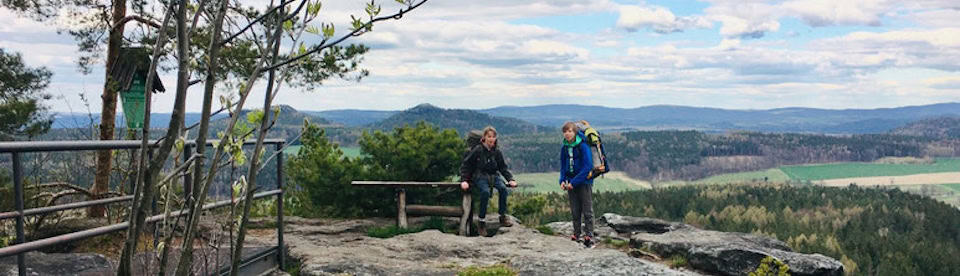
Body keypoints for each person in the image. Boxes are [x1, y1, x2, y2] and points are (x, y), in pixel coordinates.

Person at [460, 126, 518, 237]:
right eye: (489, 136)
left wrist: (510, 179)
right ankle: (481, 222)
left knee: (503, 189)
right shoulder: (478, 150)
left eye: (493, 136)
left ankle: (502, 216)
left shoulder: (497, 152)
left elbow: (503, 168)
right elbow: (466, 165)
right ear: (484, 137)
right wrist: (464, 180)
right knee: (485, 192)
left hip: (493, 175)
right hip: (480, 176)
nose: (491, 139)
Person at [559, 121, 596, 248]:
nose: (567, 134)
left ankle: (589, 235)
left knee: (587, 209)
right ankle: (576, 233)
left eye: (570, 131)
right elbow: (563, 166)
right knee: (575, 210)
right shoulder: (564, 147)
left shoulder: (582, 146)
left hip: (584, 182)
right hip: (571, 182)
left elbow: (587, 167)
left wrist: (573, 182)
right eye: (565, 131)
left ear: (575, 132)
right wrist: (562, 180)